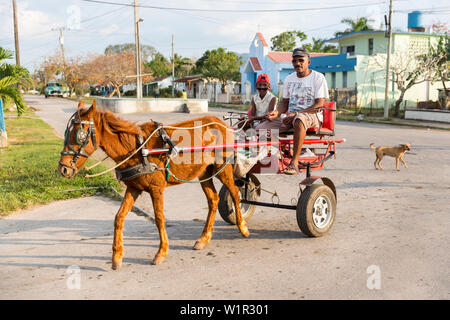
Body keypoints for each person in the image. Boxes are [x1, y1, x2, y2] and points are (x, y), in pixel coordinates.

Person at [255, 47, 329, 175]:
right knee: (260, 128)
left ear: (308, 62)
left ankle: (294, 162)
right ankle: (277, 154)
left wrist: (296, 114)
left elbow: (319, 104)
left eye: (301, 60)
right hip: (290, 116)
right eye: (294, 61)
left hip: (312, 116)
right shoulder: (289, 79)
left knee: (299, 120)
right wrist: (276, 113)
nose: (297, 63)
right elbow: (285, 103)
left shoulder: (318, 77)